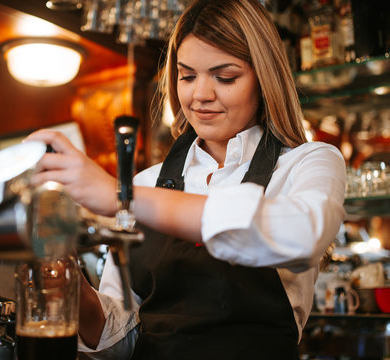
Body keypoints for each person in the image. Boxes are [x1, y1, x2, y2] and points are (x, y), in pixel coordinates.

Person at [24, 0, 346, 358]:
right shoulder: (147, 183)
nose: (200, 95)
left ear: (264, 79)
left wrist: (121, 197)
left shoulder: (308, 162)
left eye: (225, 77)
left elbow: (303, 234)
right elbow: (120, 342)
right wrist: (66, 279)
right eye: (187, 75)